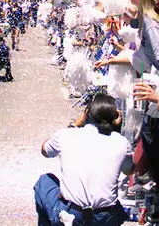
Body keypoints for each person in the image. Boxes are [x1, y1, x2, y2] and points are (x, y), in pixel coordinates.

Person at [35, 93, 133, 226]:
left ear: (86, 114)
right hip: (106, 218)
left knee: (44, 181)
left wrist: (75, 124)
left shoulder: (66, 135)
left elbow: (45, 150)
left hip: (73, 215)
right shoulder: (121, 142)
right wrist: (117, 130)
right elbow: (128, 170)